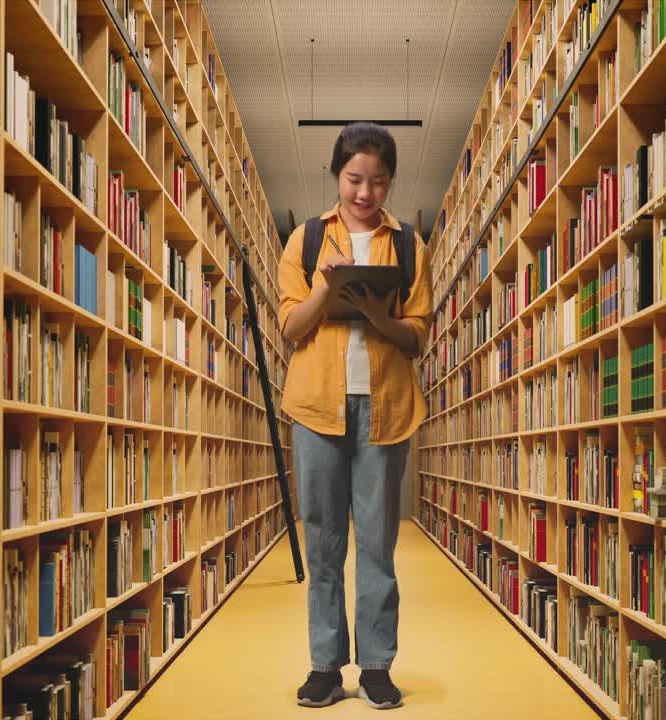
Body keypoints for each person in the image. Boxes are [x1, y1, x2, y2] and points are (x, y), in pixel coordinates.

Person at [277, 122, 431, 709]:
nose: (365, 193)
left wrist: (375, 313)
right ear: (337, 175)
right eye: (353, 179)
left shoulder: (411, 246)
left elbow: (416, 337)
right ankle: (323, 665)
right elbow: (290, 327)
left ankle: (376, 667)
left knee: (376, 545)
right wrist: (326, 289)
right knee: (322, 542)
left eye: (378, 181)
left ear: (390, 181)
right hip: (316, 407)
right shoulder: (308, 240)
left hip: (386, 409)